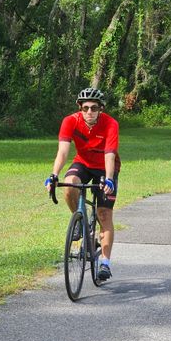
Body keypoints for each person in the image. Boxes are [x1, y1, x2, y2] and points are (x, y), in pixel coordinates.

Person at [45, 87, 120, 281]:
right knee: (69, 184)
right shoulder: (70, 121)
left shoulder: (110, 124)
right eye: (85, 108)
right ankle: (81, 220)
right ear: (80, 107)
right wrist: (54, 175)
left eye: (94, 108)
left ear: (100, 109)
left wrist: (110, 179)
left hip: (106, 167)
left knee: (104, 214)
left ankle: (105, 262)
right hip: (83, 163)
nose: (89, 112)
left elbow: (109, 155)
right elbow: (62, 152)